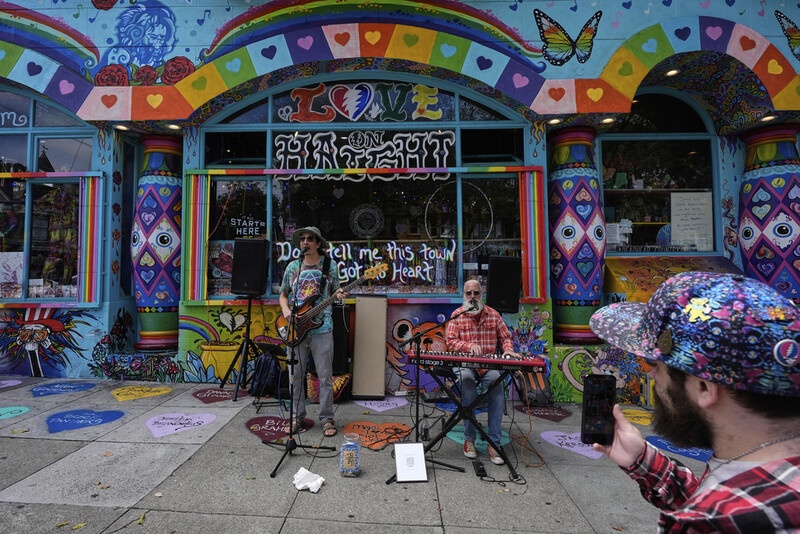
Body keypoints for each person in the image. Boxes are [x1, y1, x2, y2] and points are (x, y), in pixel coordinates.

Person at [589, 271, 800, 532]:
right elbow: (719, 495)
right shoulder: (760, 472)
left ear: (703, 387)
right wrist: (642, 459)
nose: (650, 374)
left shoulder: (708, 525)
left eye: (656, 365)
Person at [279, 226, 346, 437]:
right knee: (295, 375)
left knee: (325, 376)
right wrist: (287, 311)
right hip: (296, 328)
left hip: (322, 328)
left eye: (310, 239)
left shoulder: (329, 265)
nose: (305, 242)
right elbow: (283, 294)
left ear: (318, 244)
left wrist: (339, 295)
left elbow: (336, 290)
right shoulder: (292, 267)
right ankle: (297, 417)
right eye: (302, 239)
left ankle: (327, 418)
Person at [445, 279, 518, 465]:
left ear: (481, 295)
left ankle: (493, 442)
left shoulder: (493, 315)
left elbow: (506, 337)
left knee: (497, 385)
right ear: (463, 295)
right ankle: (469, 439)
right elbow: (450, 341)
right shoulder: (457, 315)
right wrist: (468, 346)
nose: (472, 297)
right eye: (469, 293)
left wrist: (508, 349)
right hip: (465, 365)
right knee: (467, 383)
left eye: (476, 293)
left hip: (488, 366)